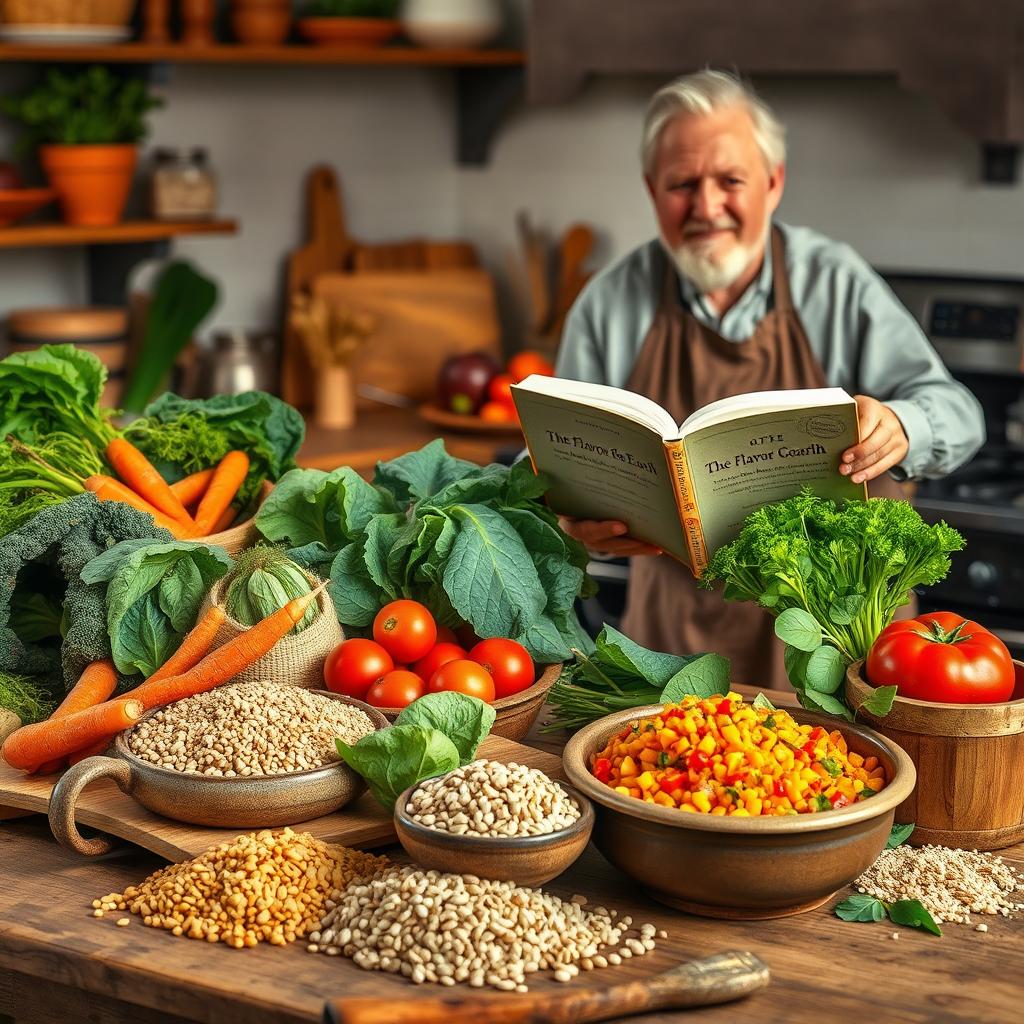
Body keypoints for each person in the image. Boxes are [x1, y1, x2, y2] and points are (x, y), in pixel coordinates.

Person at [555, 69, 985, 689]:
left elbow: (959, 413)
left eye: (730, 180)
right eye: (683, 184)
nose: (706, 207)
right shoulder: (609, 303)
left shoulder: (835, 283)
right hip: (670, 649)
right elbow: (558, 463)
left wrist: (902, 426)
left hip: (841, 640)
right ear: (653, 190)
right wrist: (573, 521)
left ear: (774, 183)